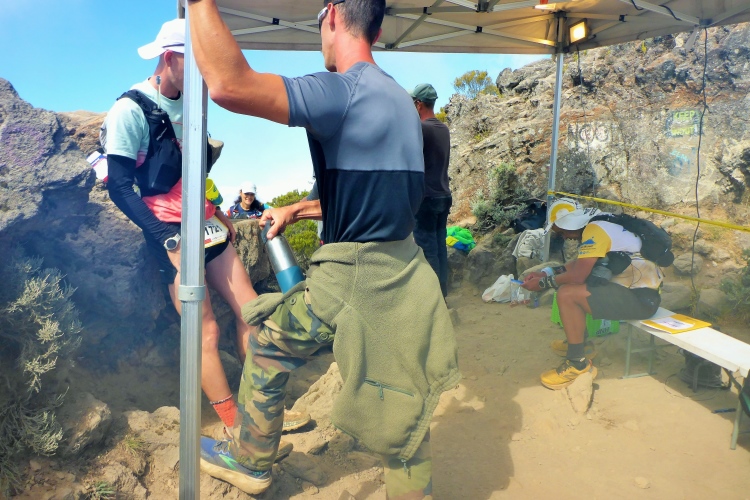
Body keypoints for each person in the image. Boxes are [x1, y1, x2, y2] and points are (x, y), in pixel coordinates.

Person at [185, 1, 460, 497]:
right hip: (403, 272)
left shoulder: (342, 89)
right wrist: (298, 209)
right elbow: (373, 195)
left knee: (267, 347)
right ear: (378, 28)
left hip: (352, 276)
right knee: (402, 398)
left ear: (331, 14)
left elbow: (229, 84)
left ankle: (250, 459)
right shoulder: (400, 100)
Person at [100, 19, 308, 439]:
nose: (204, 73)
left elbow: (192, 173)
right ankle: (234, 425)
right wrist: (166, 239)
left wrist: (218, 213)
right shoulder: (129, 110)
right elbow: (119, 187)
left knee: (252, 310)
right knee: (205, 329)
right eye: (195, 63)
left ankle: (262, 409)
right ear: (170, 57)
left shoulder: (194, 104)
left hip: (208, 225)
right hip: (168, 231)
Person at [522, 199, 663, 390]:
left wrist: (542, 284)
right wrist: (546, 273)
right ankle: (582, 345)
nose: (564, 237)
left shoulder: (594, 231)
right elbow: (580, 264)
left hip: (641, 300)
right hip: (639, 294)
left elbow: (578, 275)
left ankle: (577, 363)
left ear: (568, 224)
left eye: (562, 232)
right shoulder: (599, 223)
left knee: (567, 294)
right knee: (569, 287)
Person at [410, 83, 452, 298]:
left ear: (419, 104)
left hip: (427, 198)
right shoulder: (444, 129)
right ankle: (442, 294)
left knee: (428, 250)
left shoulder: (421, 129)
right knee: (440, 247)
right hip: (444, 195)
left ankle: (434, 300)